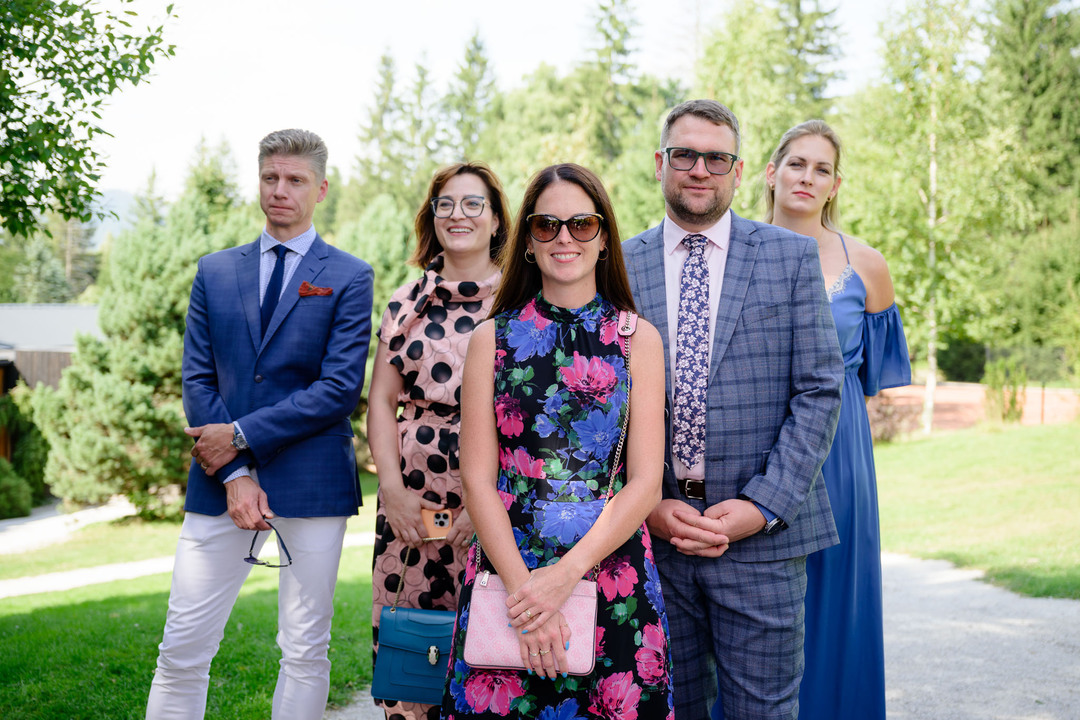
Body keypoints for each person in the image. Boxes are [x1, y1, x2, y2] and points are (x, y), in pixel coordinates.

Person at [622, 99, 844, 720]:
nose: (700, 169)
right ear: (659, 163)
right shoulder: (618, 264)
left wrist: (763, 506)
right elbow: (602, 399)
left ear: (740, 171)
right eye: (685, 155)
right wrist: (645, 504)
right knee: (665, 711)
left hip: (761, 546)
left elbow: (819, 389)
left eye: (716, 158)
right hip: (652, 543)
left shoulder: (789, 257)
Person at [146, 129, 373, 720]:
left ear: (321, 189)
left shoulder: (350, 275)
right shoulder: (215, 270)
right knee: (182, 647)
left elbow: (339, 389)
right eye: (270, 177)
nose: (280, 190)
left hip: (312, 480)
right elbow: (197, 379)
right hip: (220, 480)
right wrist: (236, 470)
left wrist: (241, 435)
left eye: (295, 179)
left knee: (305, 649)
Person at [442, 163, 674, 718]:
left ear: (604, 237)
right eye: (546, 225)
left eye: (581, 224)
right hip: (509, 569)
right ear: (527, 241)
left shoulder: (638, 340)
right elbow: (477, 480)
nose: (564, 238)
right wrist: (527, 596)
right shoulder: (491, 339)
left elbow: (646, 484)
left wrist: (563, 579)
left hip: (610, 569)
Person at [763, 119, 911, 720]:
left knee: (835, 597)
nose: (807, 177)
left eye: (821, 169)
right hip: (753, 444)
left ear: (835, 185)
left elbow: (871, 379)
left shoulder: (867, 266)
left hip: (840, 455)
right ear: (770, 173)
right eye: (796, 163)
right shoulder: (734, 252)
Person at [367, 162, 510, 720]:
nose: (458, 215)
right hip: (410, 502)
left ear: (496, 220)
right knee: (410, 651)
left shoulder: (521, 300)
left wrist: (487, 503)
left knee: (491, 647)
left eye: (473, 204)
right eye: (445, 204)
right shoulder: (405, 302)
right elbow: (382, 402)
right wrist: (392, 491)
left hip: (494, 499)